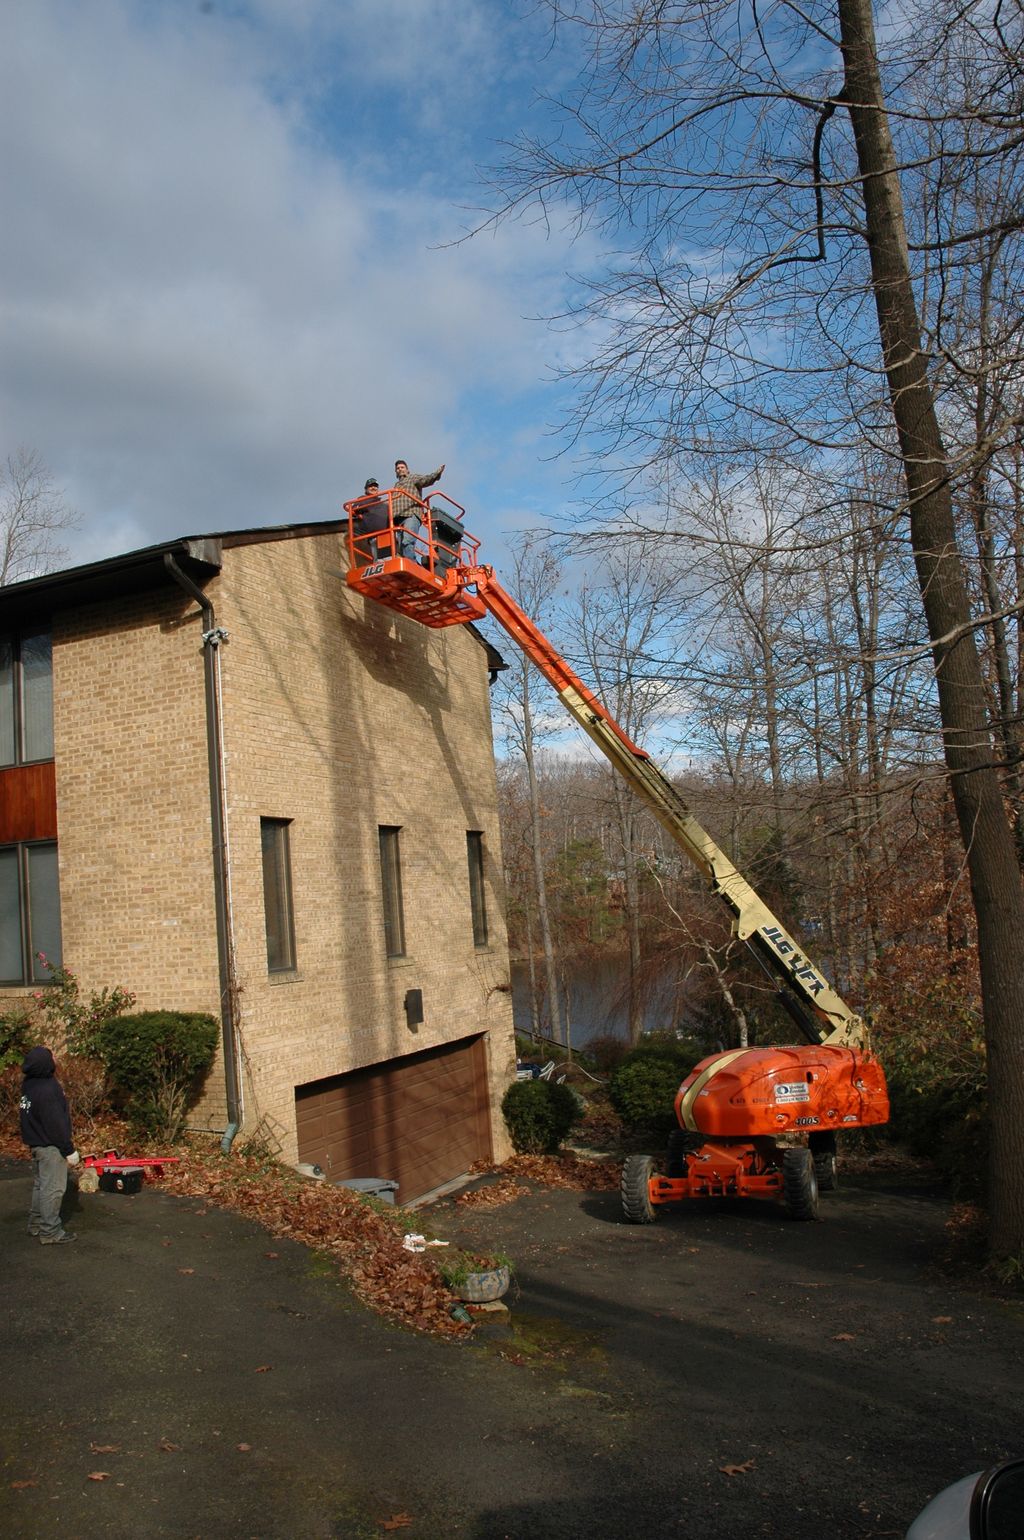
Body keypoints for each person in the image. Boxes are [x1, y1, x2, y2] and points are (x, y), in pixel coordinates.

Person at [19, 1045, 80, 1244]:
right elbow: (56, 1124)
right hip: (50, 1146)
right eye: (52, 1056)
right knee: (53, 1189)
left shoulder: (30, 1084)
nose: (55, 1059)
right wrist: (68, 1149)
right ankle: (50, 1231)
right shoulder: (48, 1089)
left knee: (40, 1186)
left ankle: (36, 1224)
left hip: (36, 1143)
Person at [391, 458, 445, 558]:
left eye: (402, 467)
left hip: (411, 514)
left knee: (407, 542)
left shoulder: (413, 478)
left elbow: (425, 480)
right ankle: (412, 564)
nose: (400, 469)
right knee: (401, 549)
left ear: (407, 470)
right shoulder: (395, 486)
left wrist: (437, 473)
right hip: (398, 519)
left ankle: (411, 566)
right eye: (398, 468)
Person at [352, 477, 392, 561]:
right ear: (366, 489)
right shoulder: (363, 499)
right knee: (379, 561)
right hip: (374, 536)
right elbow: (354, 509)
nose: (373, 488)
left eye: (375, 486)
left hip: (387, 535)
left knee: (388, 559)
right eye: (370, 486)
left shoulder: (384, 503)